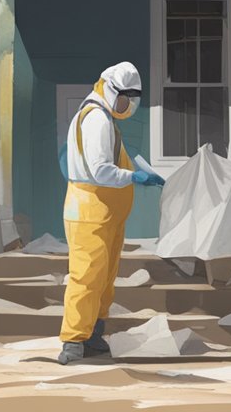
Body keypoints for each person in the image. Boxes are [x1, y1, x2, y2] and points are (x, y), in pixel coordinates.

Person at [57, 61, 165, 365]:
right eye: (124, 100)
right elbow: (101, 171)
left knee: (104, 279)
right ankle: (73, 341)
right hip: (89, 211)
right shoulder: (96, 120)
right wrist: (135, 177)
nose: (127, 107)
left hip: (105, 213)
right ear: (110, 89)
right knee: (86, 277)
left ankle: (93, 334)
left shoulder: (103, 116)